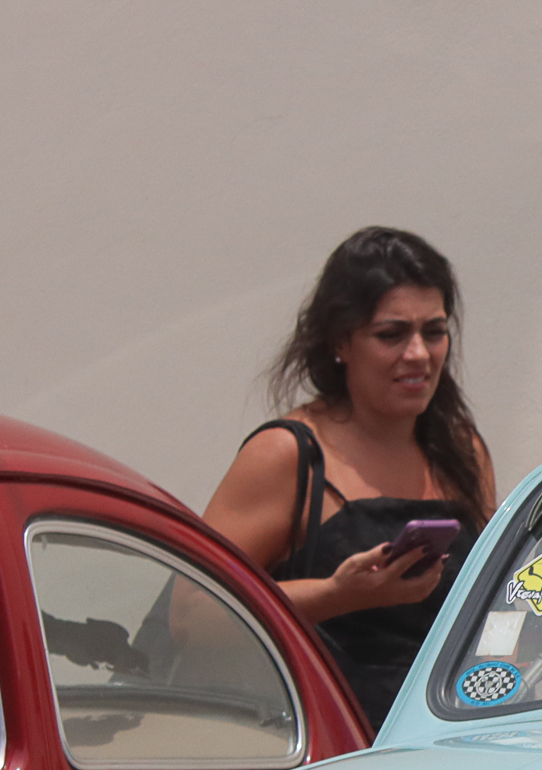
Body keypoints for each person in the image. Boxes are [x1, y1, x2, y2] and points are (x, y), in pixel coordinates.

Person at [206, 227, 497, 728]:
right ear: (342, 340)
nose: (419, 355)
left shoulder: (461, 451)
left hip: (437, 745)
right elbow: (194, 617)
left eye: (434, 331)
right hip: (317, 748)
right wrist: (336, 596)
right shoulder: (287, 455)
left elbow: (492, 606)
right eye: (391, 335)